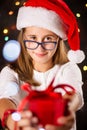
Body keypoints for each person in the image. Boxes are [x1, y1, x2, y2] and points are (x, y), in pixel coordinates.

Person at [0, 0, 85, 130]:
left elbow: (73, 95)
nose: (40, 48)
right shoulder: (10, 72)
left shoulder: (68, 69)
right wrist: (12, 120)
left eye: (48, 39)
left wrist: (64, 110)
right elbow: (6, 99)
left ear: (58, 39)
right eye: (33, 38)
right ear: (23, 38)